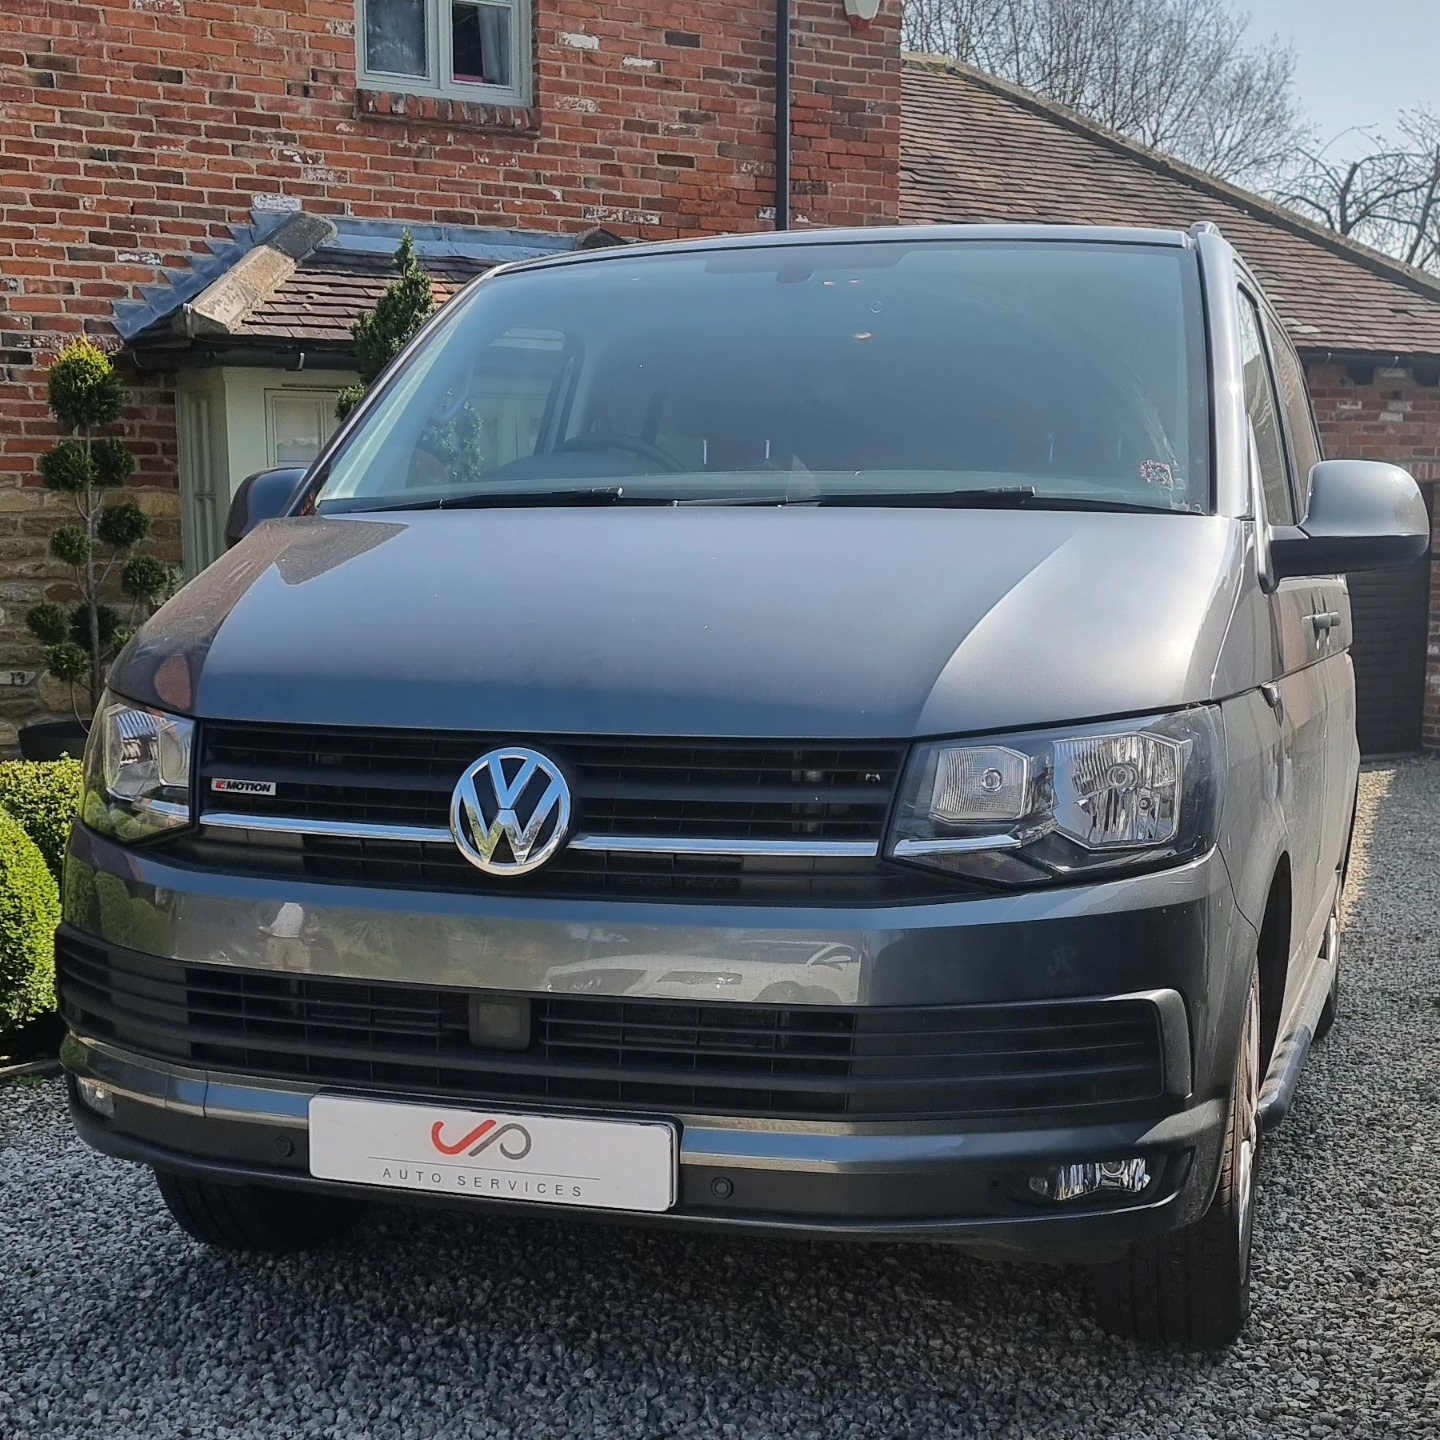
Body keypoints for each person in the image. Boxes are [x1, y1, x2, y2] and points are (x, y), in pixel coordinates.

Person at [260, 902, 309, 971]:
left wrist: (316, 928)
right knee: (274, 967)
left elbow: (325, 915)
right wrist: (262, 927)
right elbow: (254, 914)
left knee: (299, 968)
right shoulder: (273, 902)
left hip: (297, 941)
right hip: (275, 940)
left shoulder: (307, 904)